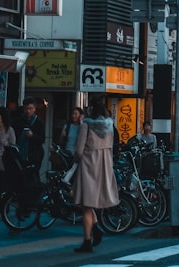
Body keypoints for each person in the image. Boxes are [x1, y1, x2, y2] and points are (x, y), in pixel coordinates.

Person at [72, 98, 119, 253]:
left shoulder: (86, 125)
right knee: (91, 203)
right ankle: (96, 228)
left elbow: (79, 149)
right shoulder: (110, 125)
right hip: (104, 165)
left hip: (88, 165)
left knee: (86, 204)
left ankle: (87, 240)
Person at [13, 97, 45, 168]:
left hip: (34, 154)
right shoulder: (19, 120)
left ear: (34, 108)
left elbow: (42, 139)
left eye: (30, 108)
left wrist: (32, 136)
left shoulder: (39, 122)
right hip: (20, 152)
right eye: (26, 109)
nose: (28, 111)